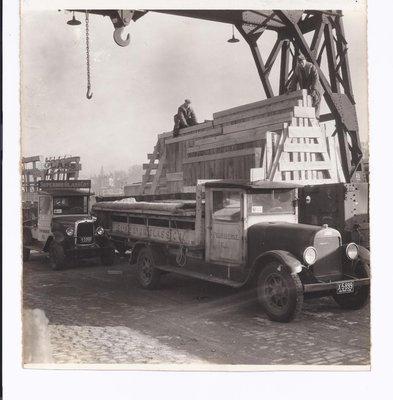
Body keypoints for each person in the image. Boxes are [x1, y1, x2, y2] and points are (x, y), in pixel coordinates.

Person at [289, 53, 323, 119]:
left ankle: (315, 118)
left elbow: (316, 78)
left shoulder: (311, 66)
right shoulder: (297, 69)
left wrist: (314, 89)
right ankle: (309, 118)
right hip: (306, 89)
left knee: (315, 103)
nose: (301, 64)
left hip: (315, 89)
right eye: (299, 62)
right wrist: (290, 88)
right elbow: (294, 80)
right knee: (307, 104)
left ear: (305, 61)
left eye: (302, 62)